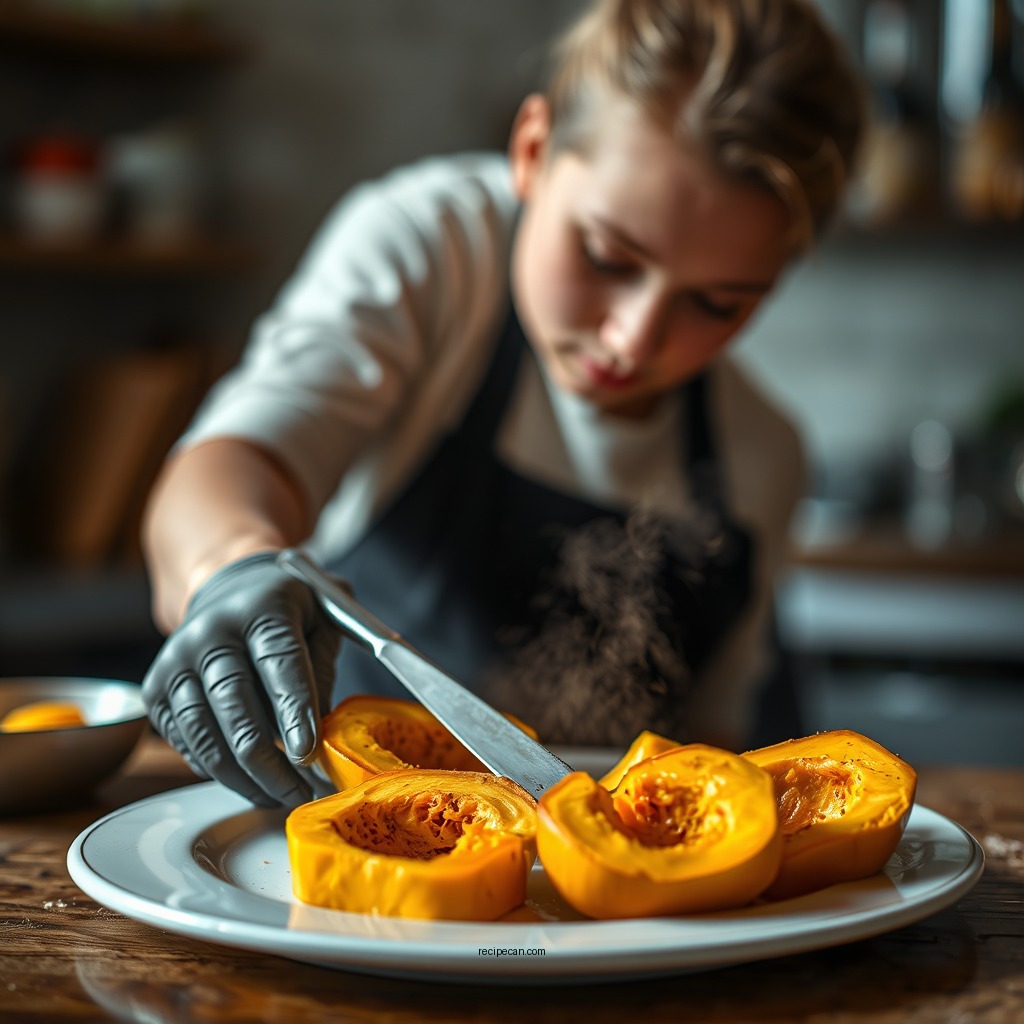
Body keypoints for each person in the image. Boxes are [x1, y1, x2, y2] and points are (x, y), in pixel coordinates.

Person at [141, 0, 865, 808]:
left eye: (717, 304)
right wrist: (229, 567)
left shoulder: (763, 456)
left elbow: (721, 754)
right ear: (533, 150)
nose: (631, 339)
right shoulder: (432, 249)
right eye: (605, 255)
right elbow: (236, 460)